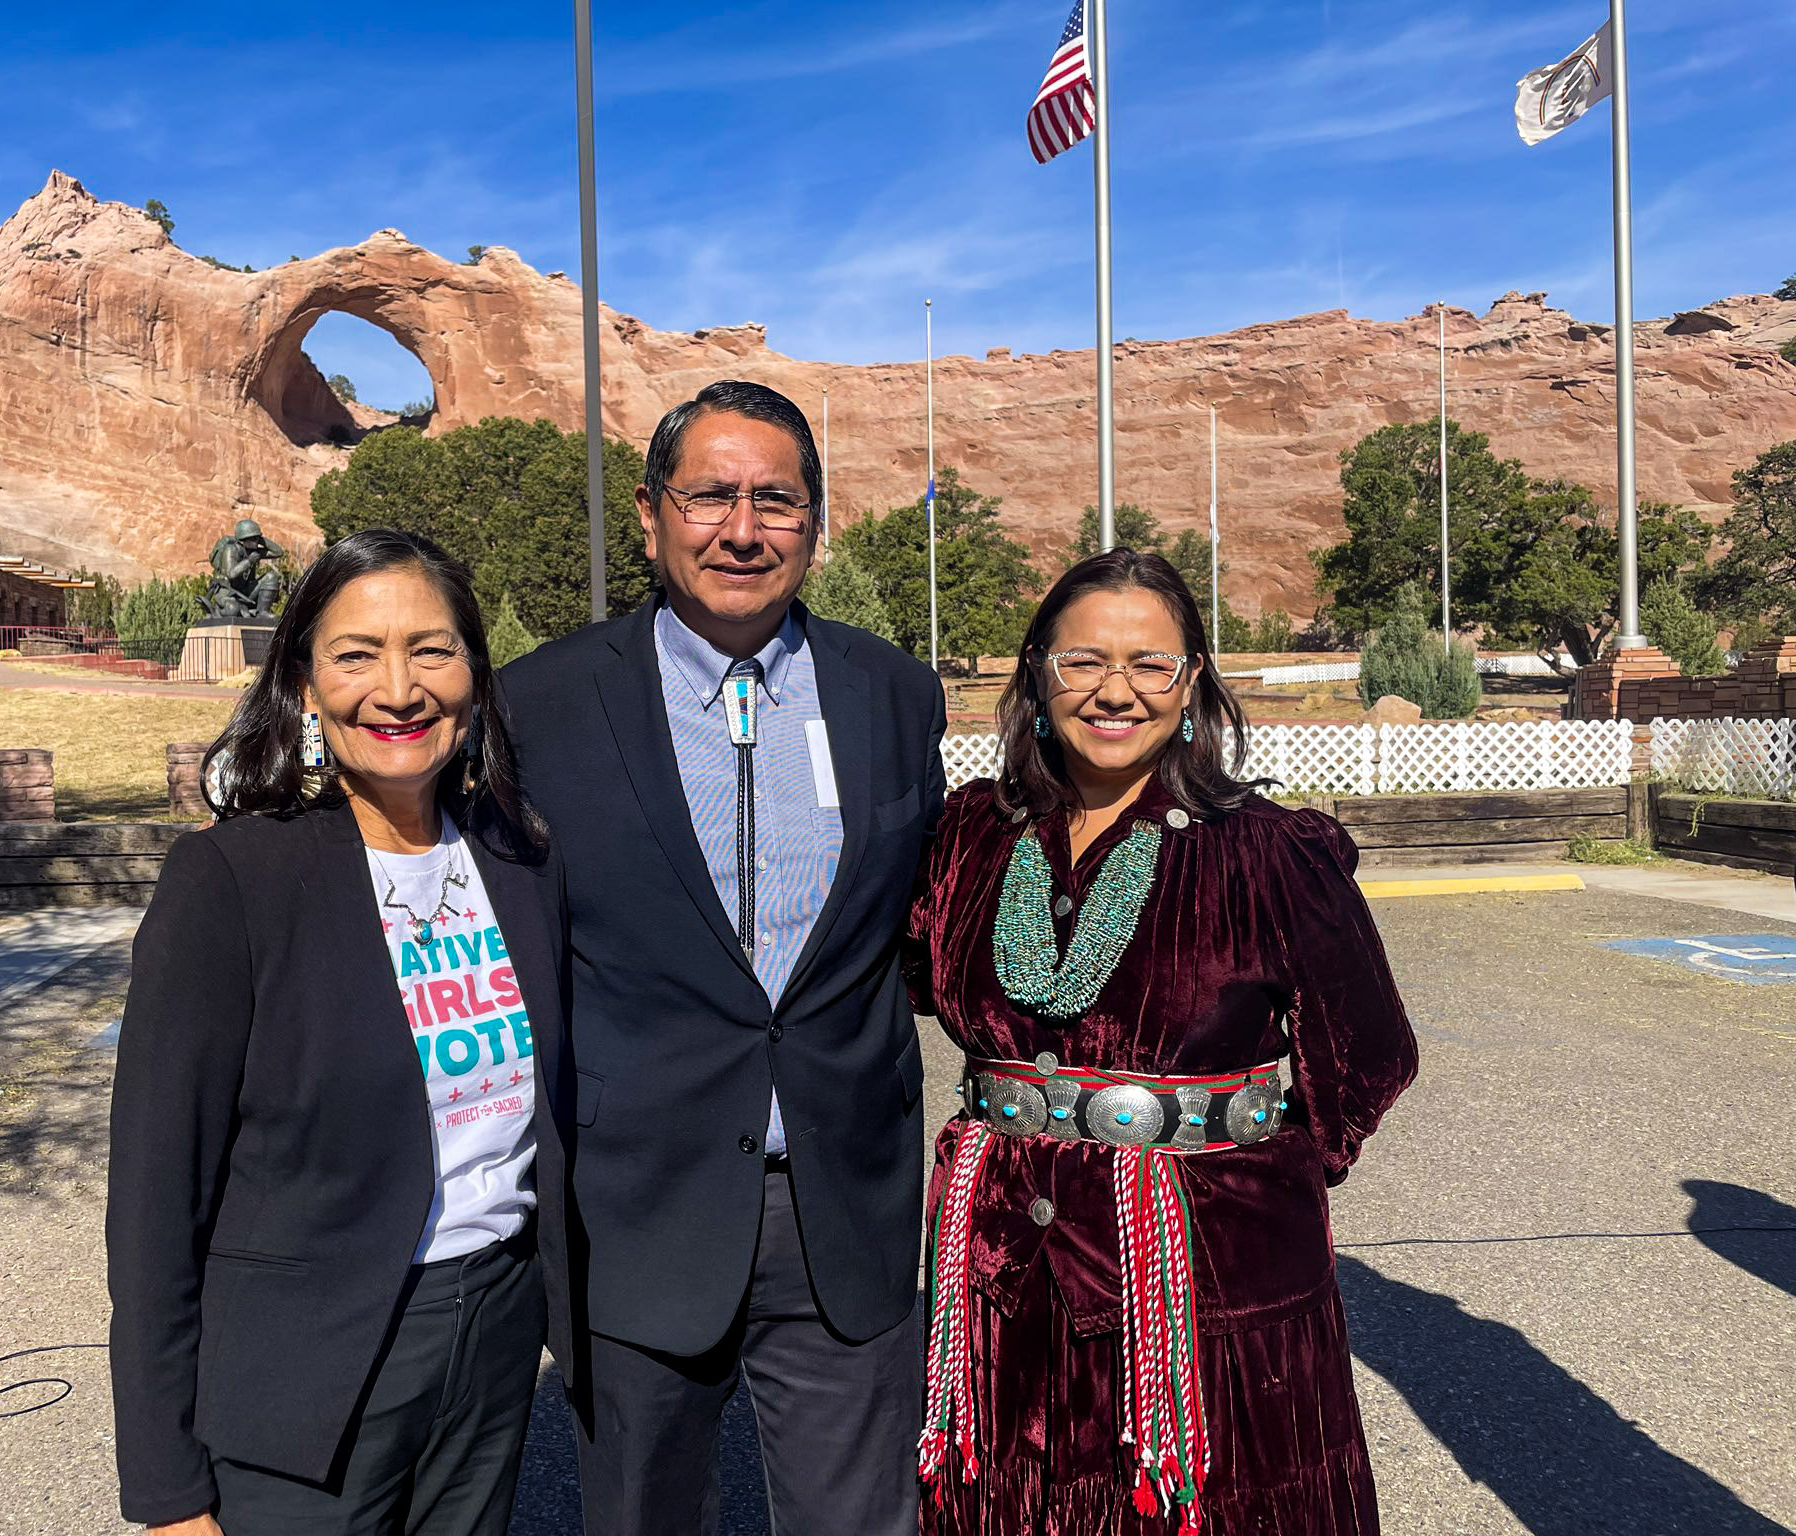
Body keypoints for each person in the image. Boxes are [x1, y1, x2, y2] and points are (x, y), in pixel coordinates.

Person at [500, 379, 946, 1535]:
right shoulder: (542, 703)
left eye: (774, 501)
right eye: (708, 495)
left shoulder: (891, 694)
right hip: (637, 1203)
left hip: (838, 1199)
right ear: (651, 514)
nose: (740, 530)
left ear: (814, 521)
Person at [905, 549, 1418, 1535]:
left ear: (1190, 684)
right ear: (1034, 673)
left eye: (1149, 664)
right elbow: (918, 976)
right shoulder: (972, 834)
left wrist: (1243, 1182)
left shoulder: (1266, 850)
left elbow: (1368, 1054)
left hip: (1205, 1277)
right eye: (1082, 660)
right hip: (1002, 1266)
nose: (1114, 691)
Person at [106, 528, 571, 1536]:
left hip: (490, 1338)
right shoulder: (232, 882)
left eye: (432, 650)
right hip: (302, 1368)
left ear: (475, 677)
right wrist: (166, 1489)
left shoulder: (521, 860)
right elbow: (153, 1197)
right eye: (355, 655)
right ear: (304, 686)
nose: (398, 690)